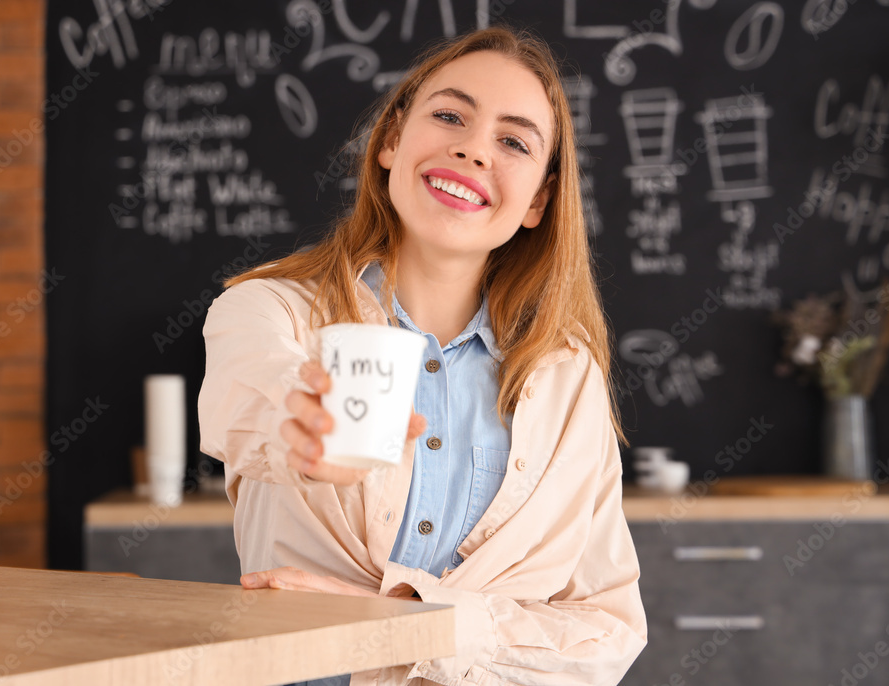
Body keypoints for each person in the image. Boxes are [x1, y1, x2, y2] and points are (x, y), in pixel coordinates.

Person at [198, 25, 647, 686]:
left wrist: (406, 626)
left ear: (539, 200)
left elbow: (607, 635)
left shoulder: (567, 375)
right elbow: (259, 393)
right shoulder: (271, 311)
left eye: (514, 142)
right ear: (390, 141)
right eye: (449, 116)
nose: (471, 149)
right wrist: (300, 422)